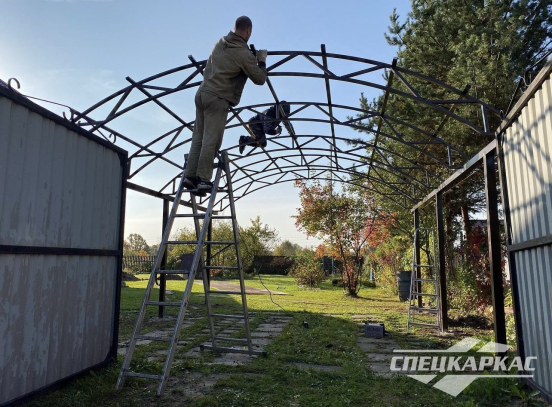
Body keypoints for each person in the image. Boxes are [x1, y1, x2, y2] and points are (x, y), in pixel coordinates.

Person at [183, 16, 267, 192]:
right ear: (248, 31)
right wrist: (261, 61)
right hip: (217, 97)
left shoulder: (220, 42)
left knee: (198, 136)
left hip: (202, 93)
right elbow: (259, 79)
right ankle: (204, 180)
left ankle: (190, 177)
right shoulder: (242, 53)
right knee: (211, 139)